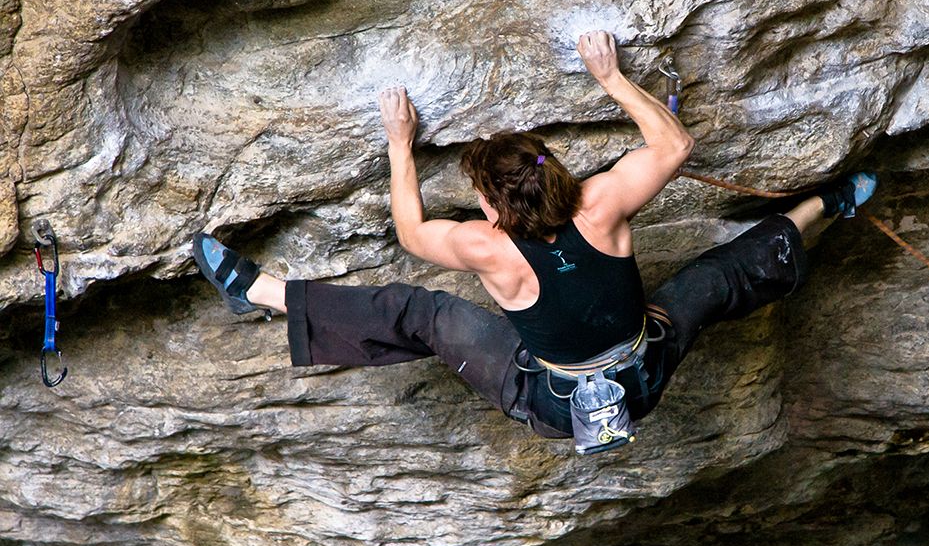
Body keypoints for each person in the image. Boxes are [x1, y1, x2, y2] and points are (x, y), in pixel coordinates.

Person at [193, 31, 876, 453]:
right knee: (714, 281)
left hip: (553, 403)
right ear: (556, 171)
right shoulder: (602, 204)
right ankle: (828, 202)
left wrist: (400, 145)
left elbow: (409, 232)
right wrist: (610, 77)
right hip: (644, 374)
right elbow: (674, 144)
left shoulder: (490, 250)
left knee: (422, 314)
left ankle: (261, 293)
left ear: (490, 212)